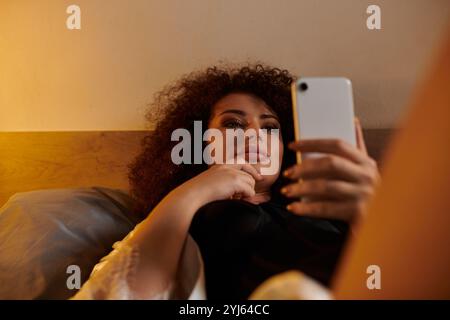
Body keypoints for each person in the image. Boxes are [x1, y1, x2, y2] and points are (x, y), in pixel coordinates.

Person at [72, 64, 379, 300]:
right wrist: (194, 192)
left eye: (271, 127)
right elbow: (126, 293)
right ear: (199, 142)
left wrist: (373, 211)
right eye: (233, 123)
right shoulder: (183, 215)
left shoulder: (331, 214)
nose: (255, 134)